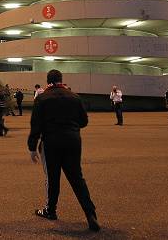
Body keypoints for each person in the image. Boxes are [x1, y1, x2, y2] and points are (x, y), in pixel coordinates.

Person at [28, 69, 99, 232]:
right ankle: (90, 214)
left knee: (52, 178)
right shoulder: (74, 97)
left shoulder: (42, 98)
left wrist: (32, 146)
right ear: (61, 79)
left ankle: (50, 210)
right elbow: (84, 121)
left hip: (51, 141)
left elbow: (36, 125)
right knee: (77, 178)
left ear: (48, 81)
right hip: (73, 140)